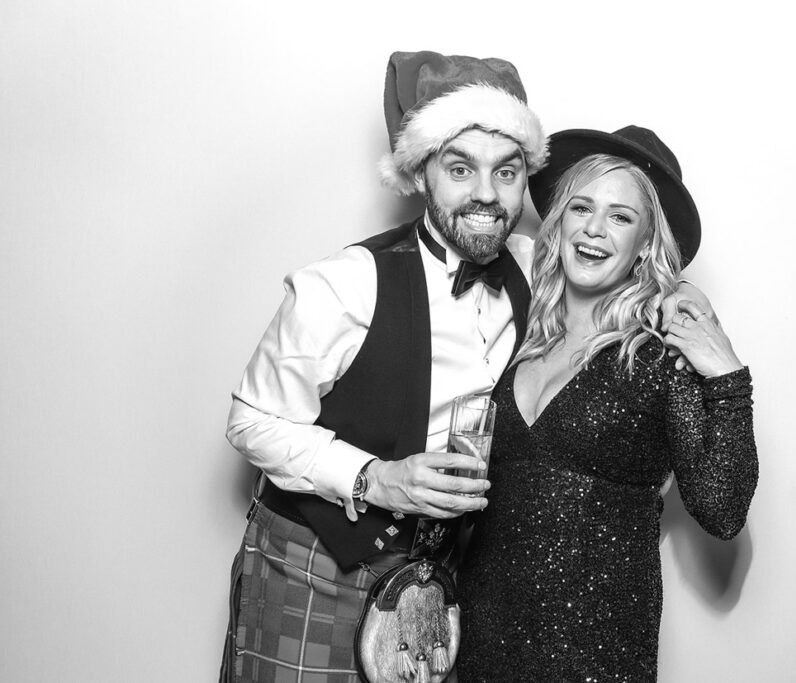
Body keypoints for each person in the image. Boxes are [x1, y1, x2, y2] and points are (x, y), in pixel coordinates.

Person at [219, 51, 548, 682]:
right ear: (422, 174)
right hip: (312, 564)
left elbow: (617, 259)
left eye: (506, 173)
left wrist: (676, 300)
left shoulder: (535, 271)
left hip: (436, 572)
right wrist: (375, 478)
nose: (487, 194)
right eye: (461, 169)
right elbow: (250, 420)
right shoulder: (342, 286)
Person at [456, 126, 759, 682]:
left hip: (593, 653)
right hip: (482, 637)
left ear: (646, 241)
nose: (594, 229)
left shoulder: (658, 356)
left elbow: (722, 512)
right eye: (581, 207)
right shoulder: (516, 334)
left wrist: (728, 378)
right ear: (558, 220)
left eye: (621, 217)